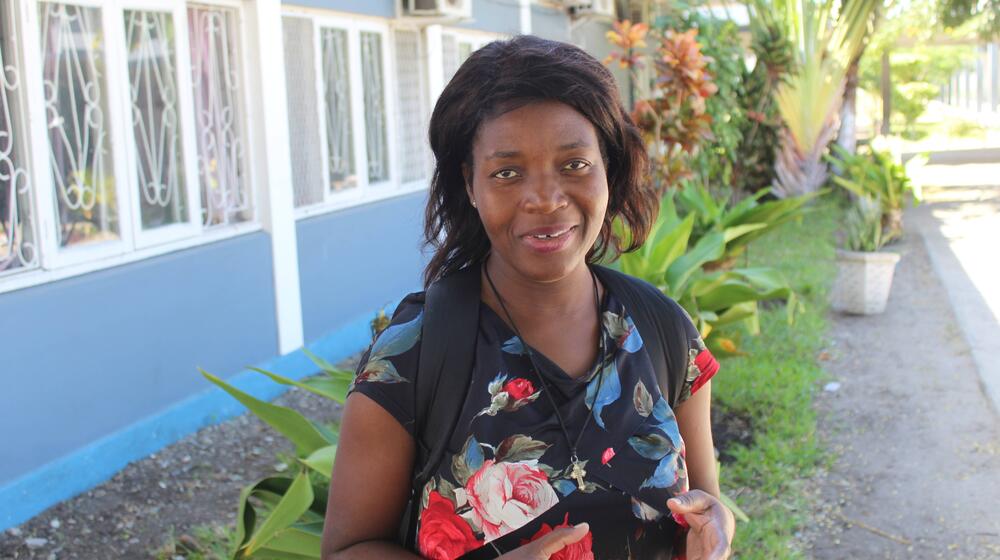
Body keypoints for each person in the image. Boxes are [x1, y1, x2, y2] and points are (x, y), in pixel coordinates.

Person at [321, 35, 735, 560]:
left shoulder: (663, 331)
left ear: (608, 166)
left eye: (574, 164)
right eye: (508, 173)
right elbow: (348, 549)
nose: (545, 198)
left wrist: (716, 525)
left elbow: (706, 501)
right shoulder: (414, 353)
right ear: (470, 185)